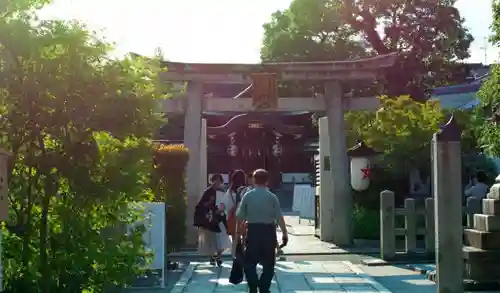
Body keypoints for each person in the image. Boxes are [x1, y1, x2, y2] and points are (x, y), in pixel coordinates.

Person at [233, 169, 288, 293]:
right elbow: (279, 217)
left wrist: (237, 234)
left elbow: (240, 217)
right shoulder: (272, 197)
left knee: (249, 262)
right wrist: (284, 233)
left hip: (253, 231)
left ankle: (253, 285)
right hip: (269, 232)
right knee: (269, 264)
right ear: (267, 181)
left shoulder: (248, 196)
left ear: (254, 180)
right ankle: (264, 287)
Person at [194, 174, 231, 267]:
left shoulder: (223, 191)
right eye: (215, 180)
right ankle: (212, 257)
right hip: (210, 220)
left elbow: (225, 204)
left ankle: (218, 256)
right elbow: (201, 205)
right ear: (212, 181)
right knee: (211, 240)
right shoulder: (208, 191)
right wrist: (210, 204)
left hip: (220, 218)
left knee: (223, 239)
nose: (217, 182)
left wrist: (222, 210)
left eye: (219, 180)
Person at [221, 169, 249, 240]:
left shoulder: (229, 191)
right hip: (243, 218)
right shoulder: (246, 190)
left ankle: (235, 249)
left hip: (232, 218)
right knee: (244, 237)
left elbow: (225, 205)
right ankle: (242, 248)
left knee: (235, 239)